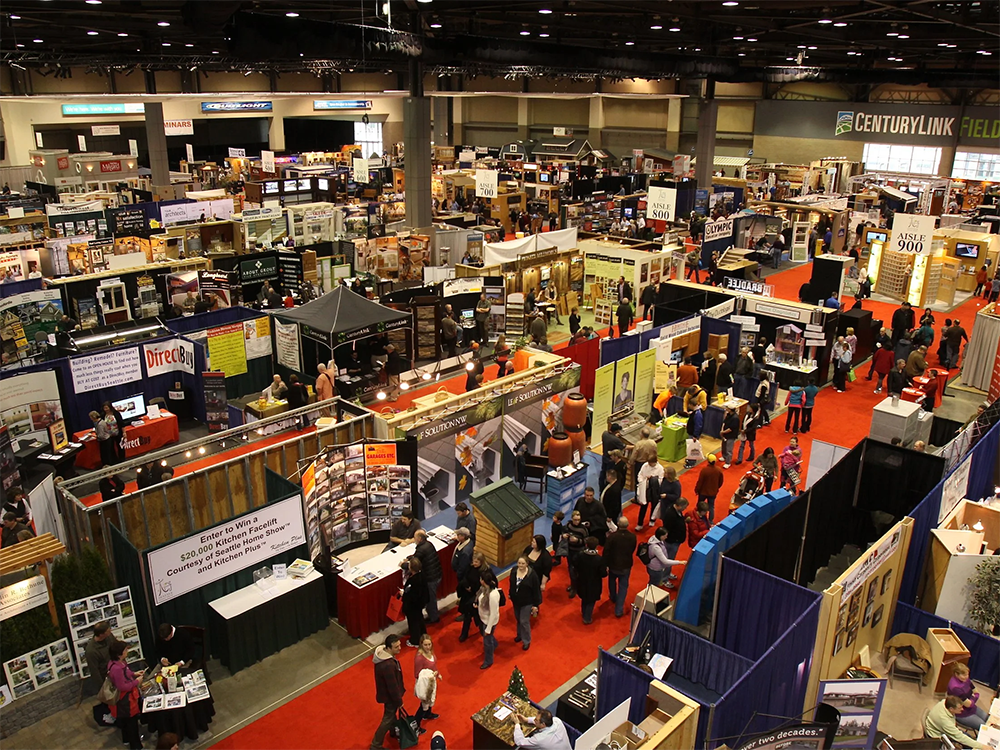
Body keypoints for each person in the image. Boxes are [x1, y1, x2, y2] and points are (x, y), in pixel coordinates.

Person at [107, 641, 145, 750]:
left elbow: (126, 673)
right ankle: (136, 746)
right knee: (131, 724)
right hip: (125, 700)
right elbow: (122, 686)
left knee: (125, 721)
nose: (127, 651)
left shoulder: (117, 663)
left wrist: (134, 674)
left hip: (125, 699)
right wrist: (136, 682)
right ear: (119, 654)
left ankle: (126, 739)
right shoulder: (116, 668)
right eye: (125, 650)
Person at [371, 634, 406, 750]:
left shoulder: (383, 657)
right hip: (390, 696)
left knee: (391, 715)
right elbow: (392, 686)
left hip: (386, 694)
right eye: (396, 647)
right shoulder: (388, 665)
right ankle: (376, 745)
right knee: (388, 718)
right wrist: (399, 701)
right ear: (389, 648)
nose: (400, 648)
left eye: (399, 645)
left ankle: (393, 731)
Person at [923, 696, 989, 749]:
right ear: (951, 709)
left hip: (941, 728)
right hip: (937, 737)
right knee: (968, 745)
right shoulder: (945, 721)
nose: (962, 709)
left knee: (968, 737)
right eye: (959, 708)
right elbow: (960, 737)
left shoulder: (945, 702)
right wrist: (982, 747)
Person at [604, 517, 637, 618]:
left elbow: (606, 551)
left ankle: (613, 597)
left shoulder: (612, 537)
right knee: (623, 587)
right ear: (627, 525)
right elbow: (632, 549)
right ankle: (618, 610)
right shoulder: (632, 537)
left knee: (612, 581)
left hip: (613, 565)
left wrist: (605, 564)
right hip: (626, 565)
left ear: (618, 524)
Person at [508, 555, 542, 651]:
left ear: (527, 564)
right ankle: (519, 635)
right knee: (518, 618)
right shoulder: (514, 571)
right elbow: (511, 584)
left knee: (524, 621)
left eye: (523, 563)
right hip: (516, 600)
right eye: (519, 563)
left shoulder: (532, 575)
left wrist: (535, 605)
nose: (520, 565)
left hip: (527, 602)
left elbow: (536, 591)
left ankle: (526, 640)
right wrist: (510, 593)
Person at [411, 529, 444, 624]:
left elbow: (414, 564)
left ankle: (434, 618)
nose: (414, 539)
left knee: (430, 600)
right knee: (431, 598)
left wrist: (403, 565)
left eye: (415, 537)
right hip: (437, 574)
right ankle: (433, 615)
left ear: (419, 538)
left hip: (431, 579)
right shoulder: (429, 544)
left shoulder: (421, 549)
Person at [947, 662, 988, 732]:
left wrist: (972, 699)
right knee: (984, 727)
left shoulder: (965, 679)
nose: (966, 676)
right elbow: (968, 704)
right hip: (962, 713)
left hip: (972, 707)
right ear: (956, 674)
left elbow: (975, 690)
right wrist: (975, 697)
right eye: (964, 675)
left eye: (967, 674)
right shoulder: (955, 688)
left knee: (988, 719)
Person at [574, 536, 606, 625]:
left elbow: (575, 564)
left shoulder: (580, 555)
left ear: (587, 545)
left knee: (584, 598)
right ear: (596, 546)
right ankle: (587, 618)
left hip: (582, 581)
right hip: (594, 583)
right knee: (591, 600)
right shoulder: (599, 559)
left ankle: (583, 612)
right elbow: (603, 573)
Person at [413, 634, 441, 728]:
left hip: (431, 681)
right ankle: (416, 724)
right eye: (425, 645)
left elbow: (434, 666)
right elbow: (417, 674)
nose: (428, 647)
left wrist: (437, 674)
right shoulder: (419, 658)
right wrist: (430, 676)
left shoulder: (431, 653)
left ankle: (428, 714)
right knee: (424, 704)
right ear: (421, 644)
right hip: (424, 684)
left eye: (429, 644)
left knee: (430, 699)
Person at [476, 569, 501, 669]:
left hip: (489, 621)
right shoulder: (484, 589)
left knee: (487, 642)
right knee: (488, 638)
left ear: (483, 581)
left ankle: (488, 661)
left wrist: (488, 628)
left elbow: (493, 613)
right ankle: (495, 644)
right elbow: (480, 598)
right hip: (483, 619)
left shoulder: (493, 595)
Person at [457, 551, 486, 640]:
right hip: (467, 595)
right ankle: (464, 634)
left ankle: (483, 631)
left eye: (476, 562)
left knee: (479, 616)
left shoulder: (484, 571)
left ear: (481, 562)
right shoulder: (470, 567)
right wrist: (466, 586)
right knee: (467, 615)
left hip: (477, 597)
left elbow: (483, 585)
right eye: (473, 561)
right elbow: (465, 577)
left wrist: (472, 589)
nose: (474, 563)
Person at [400, 557, 429, 646]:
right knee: (420, 619)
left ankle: (415, 641)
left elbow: (411, 595)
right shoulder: (422, 575)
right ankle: (423, 634)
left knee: (413, 623)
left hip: (413, 606)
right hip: (420, 603)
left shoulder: (413, 581)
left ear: (411, 568)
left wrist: (404, 594)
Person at [635, 456, 664, 532]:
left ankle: (652, 519)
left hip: (655, 490)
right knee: (643, 506)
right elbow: (640, 475)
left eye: (651, 463)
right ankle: (640, 524)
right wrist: (644, 480)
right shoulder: (645, 465)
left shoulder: (660, 468)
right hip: (646, 488)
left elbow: (661, 480)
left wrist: (653, 479)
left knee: (654, 505)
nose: (649, 464)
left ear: (655, 462)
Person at [564, 510, 588, 598]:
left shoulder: (583, 529)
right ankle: (573, 585)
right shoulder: (569, 525)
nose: (577, 522)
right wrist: (564, 535)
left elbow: (586, 540)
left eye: (578, 520)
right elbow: (564, 531)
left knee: (576, 570)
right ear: (572, 519)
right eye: (575, 520)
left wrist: (577, 540)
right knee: (570, 568)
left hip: (579, 552)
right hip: (570, 550)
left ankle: (575, 587)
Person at [694, 456, 724, 523]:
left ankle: (698, 518)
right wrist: (716, 488)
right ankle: (710, 521)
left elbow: (700, 482)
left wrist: (697, 490)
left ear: (708, 461)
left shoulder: (704, 470)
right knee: (711, 506)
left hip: (703, 492)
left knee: (700, 505)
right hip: (713, 492)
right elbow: (721, 482)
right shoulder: (718, 470)